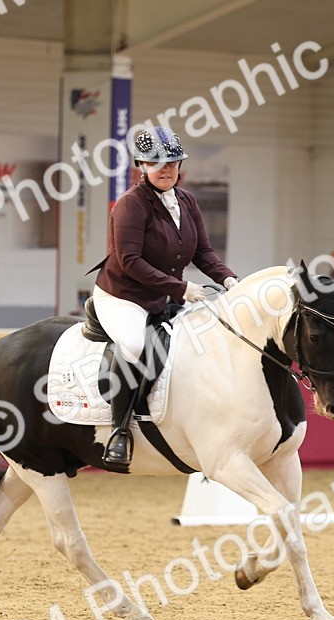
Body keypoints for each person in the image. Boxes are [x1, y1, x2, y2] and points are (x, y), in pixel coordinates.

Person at [90, 126, 239, 467]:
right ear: (142, 165)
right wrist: (182, 289)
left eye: (173, 162)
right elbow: (130, 262)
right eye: (158, 163)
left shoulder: (186, 200)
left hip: (163, 296)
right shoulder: (130, 205)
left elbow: (203, 251)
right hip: (123, 296)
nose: (167, 169)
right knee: (134, 345)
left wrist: (229, 279)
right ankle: (120, 431)